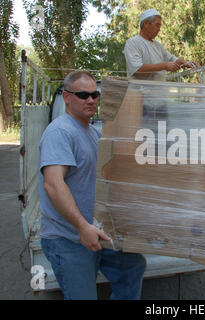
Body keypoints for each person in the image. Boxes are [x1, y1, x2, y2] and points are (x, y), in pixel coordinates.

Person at [38, 70, 146, 300]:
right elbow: (53, 185)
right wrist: (81, 227)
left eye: (94, 95)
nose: (90, 100)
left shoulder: (93, 133)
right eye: (83, 95)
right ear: (66, 97)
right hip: (69, 238)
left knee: (132, 267)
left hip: (95, 231)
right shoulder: (60, 132)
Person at [124, 8, 198, 81]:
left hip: (159, 91)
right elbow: (137, 70)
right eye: (157, 25)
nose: (159, 29)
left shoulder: (158, 45)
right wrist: (164, 66)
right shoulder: (132, 43)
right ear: (146, 23)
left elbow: (172, 59)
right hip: (138, 91)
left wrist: (185, 63)